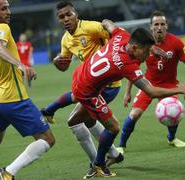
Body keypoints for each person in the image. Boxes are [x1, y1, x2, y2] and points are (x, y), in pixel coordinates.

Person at [70, 19, 185, 178]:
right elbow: (151, 92)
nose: (147, 56)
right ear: (135, 48)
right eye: (146, 51)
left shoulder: (121, 35)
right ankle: (98, 165)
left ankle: (110, 155)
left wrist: (151, 48)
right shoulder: (126, 63)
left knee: (87, 119)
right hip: (87, 91)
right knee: (113, 127)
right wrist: (180, 89)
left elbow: (106, 22)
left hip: (80, 73)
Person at [0, 0, 55, 179]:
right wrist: (20, 66)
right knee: (47, 139)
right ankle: (8, 172)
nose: (9, 12)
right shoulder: (2, 28)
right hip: (13, 97)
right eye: (4, 9)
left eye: (9, 8)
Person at [41, 0, 124, 169]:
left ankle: (97, 164)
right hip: (91, 86)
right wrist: (58, 62)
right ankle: (114, 154)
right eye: (61, 16)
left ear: (76, 14)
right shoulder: (66, 40)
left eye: (68, 14)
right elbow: (64, 65)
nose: (65, 19)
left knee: (74, 120)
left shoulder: (91, 28)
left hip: (108, 85)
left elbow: (118, 37)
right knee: (87, 120)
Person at [117, 10, 185, 153]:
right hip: (148, 84)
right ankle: (121, 145)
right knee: (134, 114)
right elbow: (133, 69)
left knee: (173, 112)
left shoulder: (176, 43)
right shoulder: (144, 45)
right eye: (156, 24)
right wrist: (127, 92)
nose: (159, 27)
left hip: (170, 85)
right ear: (151, 27)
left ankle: (171, 138)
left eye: (162, 24)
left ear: (167, 26)